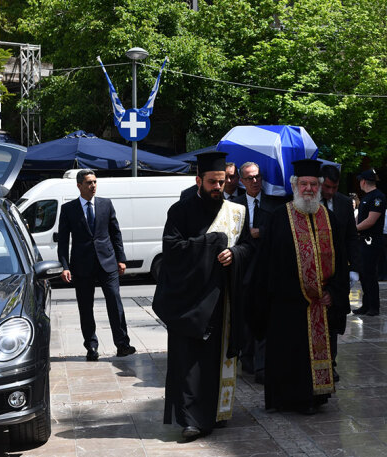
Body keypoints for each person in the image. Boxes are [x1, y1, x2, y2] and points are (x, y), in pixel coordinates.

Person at [152, 152, 254, 441]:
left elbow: (248, 247)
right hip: (188, 301)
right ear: (199, 180)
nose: (217, 188)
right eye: (212, 182)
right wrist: (210, 244)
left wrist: (232, 253)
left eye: (222, 182)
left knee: (215, 360)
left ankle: (215, 412)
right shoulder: (180, 210)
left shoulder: (235, 212)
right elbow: (172, 251)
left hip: (222, 300)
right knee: (188, 363)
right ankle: (190, 420)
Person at [251, 159, 349, 414]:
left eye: (313, 184)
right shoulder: (279, 217)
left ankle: (315, 397)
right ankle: (288, 399)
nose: (308, 189)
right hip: (287, 305)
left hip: (321, 304)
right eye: (304, 183)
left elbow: (341, 260)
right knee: (289, 355)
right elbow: (267, 265)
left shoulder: (329, 219)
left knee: (315, 356)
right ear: (294, 185)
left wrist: (333, 293)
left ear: (319, 187)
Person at [57, 169, 135, 362]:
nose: (93, 186)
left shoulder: (105, 204)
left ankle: (122, 344)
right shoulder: (68, 209)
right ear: (79, 186)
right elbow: (63, 242)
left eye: (94, 182)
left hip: (107, 263)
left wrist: (121, 259)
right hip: (82, 265)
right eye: (88, 183)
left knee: (115, 302)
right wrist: (65, 266)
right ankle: (91, 346)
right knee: (86, 307)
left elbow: (115, 233)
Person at [231, 161, 284, 382]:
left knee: (265, 314)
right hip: (243, 269)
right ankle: (248, 359)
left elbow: (280, 232)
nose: (255, 181)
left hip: (266, 268)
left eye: (258, 177)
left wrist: (260, 232)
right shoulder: (234, 205)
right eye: (250, 178)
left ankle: (263, 365)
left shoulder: (274, 204)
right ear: (241, 181)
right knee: (244, 317)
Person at [320, 164, 362, 382]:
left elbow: (351, 237)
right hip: (315, 269)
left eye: (334, 188)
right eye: (326, 187)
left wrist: (354, 268)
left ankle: (331, 362)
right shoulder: (308, 201)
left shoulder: (345, 203)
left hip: (338, 272)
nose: (330, 192)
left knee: (335, 318)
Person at [352, 169, 385, 316]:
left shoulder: (377, 197)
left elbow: (371, 220)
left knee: (370, 274)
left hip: (371, 239)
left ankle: (374, 306)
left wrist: (353, 229)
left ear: (364, 181)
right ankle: (366, 305)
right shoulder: (367, 197)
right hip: (362, 240)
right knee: (364, 274)